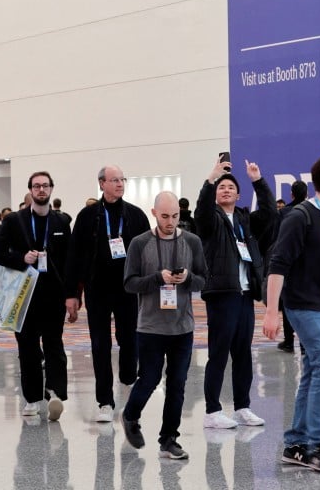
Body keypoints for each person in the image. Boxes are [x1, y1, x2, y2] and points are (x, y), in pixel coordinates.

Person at [262, 154, 320, 473]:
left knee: (314, 372)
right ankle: (319, 446)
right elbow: (278, 265)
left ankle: (296, 445)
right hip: (305, 308)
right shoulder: (300, 217)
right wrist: (271, 312)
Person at [121, 192, 206, 459]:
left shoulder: (192, 242)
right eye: (165, 216)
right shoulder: (140, 243)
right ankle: (130, 415)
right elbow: (129, 283)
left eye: (175, 216)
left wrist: (188, 278)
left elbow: (203, 280)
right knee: (149, 378)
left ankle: (169, 439)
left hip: (183, 326)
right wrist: (158, 278)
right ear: (154, 213)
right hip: (150, 327)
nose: (170, 222)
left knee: (177, 384)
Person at [65, 165, 149, 422]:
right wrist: (72, 293)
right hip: (97, 289)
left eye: (122, 179)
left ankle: (128, 378)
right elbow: (74, 256)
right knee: (100, 344)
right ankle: (104, 401)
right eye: (114, 180)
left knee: (130, 340)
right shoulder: (88, 216)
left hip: (128, 289)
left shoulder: (135, 215)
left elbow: (148, 252)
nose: (120, 184)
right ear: (102, 183)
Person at [196, 157, 275, 429]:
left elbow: (270, 214)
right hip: (221, 293)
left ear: (239, 195)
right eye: (222, 187)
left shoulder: (244, 219)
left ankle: (242, 407)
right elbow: (201, 211)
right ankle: (212, 411)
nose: (226, 190)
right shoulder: (211, 219)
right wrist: (211, 179)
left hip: (245, 294)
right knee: (219, 353)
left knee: (243, 353)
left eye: (231, 187)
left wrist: (258, 181)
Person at [0, 171, 72, 422]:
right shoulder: (14, 221)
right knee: (27, 347)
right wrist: (21, 258)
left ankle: (55, 392)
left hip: (53, 294)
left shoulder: (61, 222)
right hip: (23, 293)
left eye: (45, 186)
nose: (41, 190)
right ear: (30, 190)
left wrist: (72, 295)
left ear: (51, 189)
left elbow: (69, 260)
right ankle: (32, 398)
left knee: (54, 344)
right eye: (36, 186)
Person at [275, 180, 308, 353]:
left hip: (289, 263)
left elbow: (278, 237)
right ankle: (304, 344)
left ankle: (289, 340)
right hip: (307, 264)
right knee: (306, 304)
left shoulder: (284, 212)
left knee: (288, 302)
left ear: (291, 194)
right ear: (307, 194)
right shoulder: (311, 210)